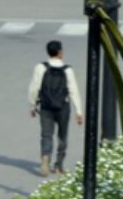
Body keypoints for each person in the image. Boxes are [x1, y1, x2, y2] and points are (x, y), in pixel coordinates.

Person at [28, 40, 83, 176]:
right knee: (62, 135)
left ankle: (45, 156)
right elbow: (74, 91)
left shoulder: (41, 67)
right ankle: (58, 165)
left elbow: (34, 87)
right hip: (63, 107)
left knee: (46, 134)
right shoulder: (67, 70)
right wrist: (79, 111)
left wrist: (32, 105)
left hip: (46, 106)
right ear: (60, 52)